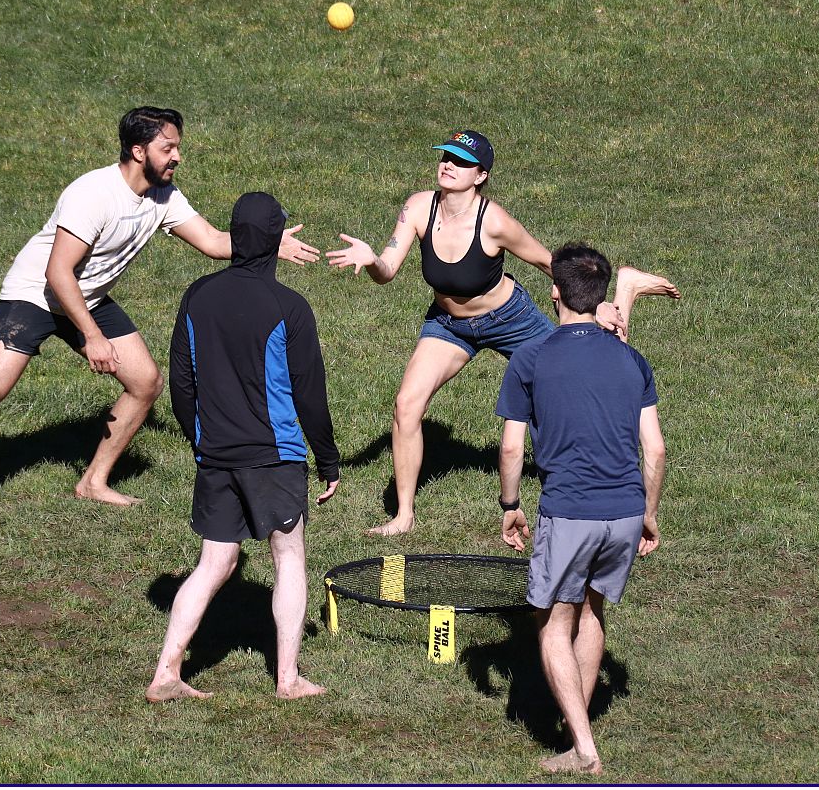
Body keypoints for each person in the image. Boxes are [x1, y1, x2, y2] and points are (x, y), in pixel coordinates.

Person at [0, 107, 319, 522]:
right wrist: (92, 336)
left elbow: (211, 241)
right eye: (168, 148)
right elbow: (57, 272)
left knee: (145, 382)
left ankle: (93, 481)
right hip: (36, 295)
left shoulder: (163, 196)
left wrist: (266, 243)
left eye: (177, 147)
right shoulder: (93, 194)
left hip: (86, 296)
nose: (177, 157)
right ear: (138, 151)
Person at [327, 129, 678, 535]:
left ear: (480, 175)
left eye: (461, 161)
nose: (448, 165)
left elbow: (549, 262)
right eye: (445, 157)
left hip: (510, 319)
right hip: (449, 324)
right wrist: (372, 259)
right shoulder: (419, 208)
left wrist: (594, 302)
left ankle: (627, 288)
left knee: (590, 367)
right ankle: (404, 515)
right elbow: (387, 271)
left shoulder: (494, 221)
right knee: (406, 405)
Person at [147, 191, 339, 702]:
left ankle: (166, 673)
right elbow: (310, 394)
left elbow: (181, 382)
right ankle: (288, 678)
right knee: (289, 557)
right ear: (277, 241)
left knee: (214, 563)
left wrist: (199, 438)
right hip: (274, 457)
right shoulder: (288, 307)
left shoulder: (197, 295)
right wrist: (328, 459)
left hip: (215, 455)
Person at [495, 242, 666, 775]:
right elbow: (656, 450)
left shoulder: (531, 358)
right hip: (626, 511)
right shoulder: (632, 360)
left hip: (570, 510)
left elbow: (511, 449)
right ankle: (577, 732)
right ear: (599, 296)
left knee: (552, 622)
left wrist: (510, 504)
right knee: (592, 611)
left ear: (555, 292)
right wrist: (649, 514)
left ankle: (585, 749)